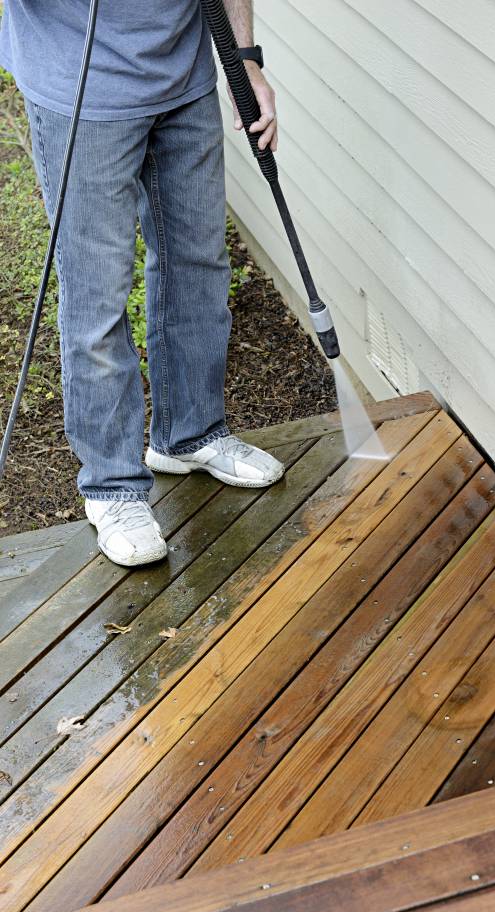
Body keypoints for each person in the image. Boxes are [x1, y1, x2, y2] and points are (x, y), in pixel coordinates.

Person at [0, 0, 284, 567]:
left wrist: (245, 59)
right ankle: (112, 487)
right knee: (97, 294)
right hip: (81, 91)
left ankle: (190, 434)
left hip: (185, 78)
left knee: (199, 268)